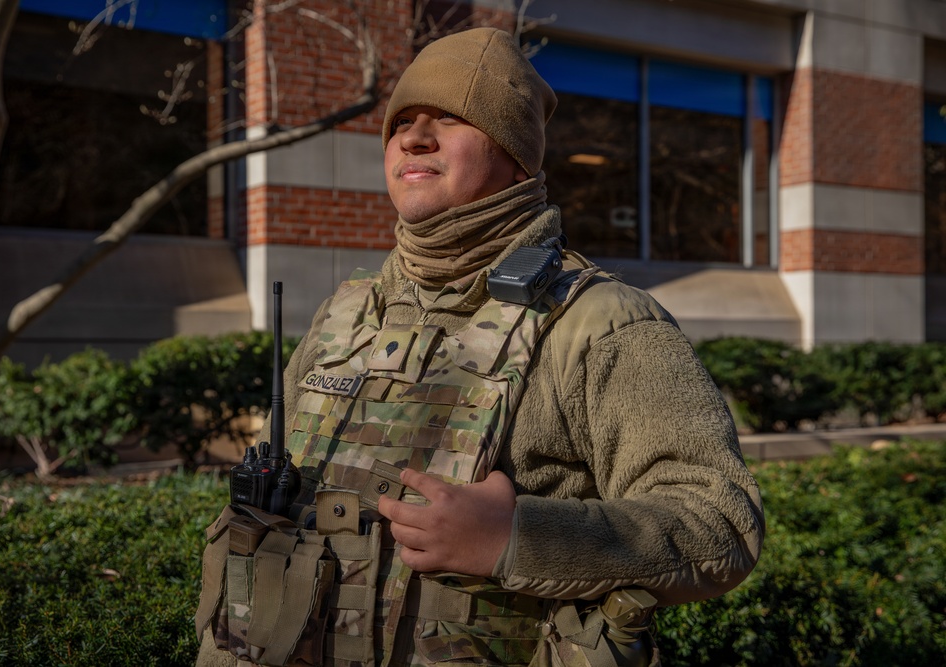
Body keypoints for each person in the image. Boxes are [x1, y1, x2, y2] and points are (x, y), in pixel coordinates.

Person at [195, 26, 764, 667]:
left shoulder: (600, 324)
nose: (413, 137)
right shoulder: (345, 315)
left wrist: (515, 537)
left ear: (517, 156)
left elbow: (719, 523)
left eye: (450, 117)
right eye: (401, 121)